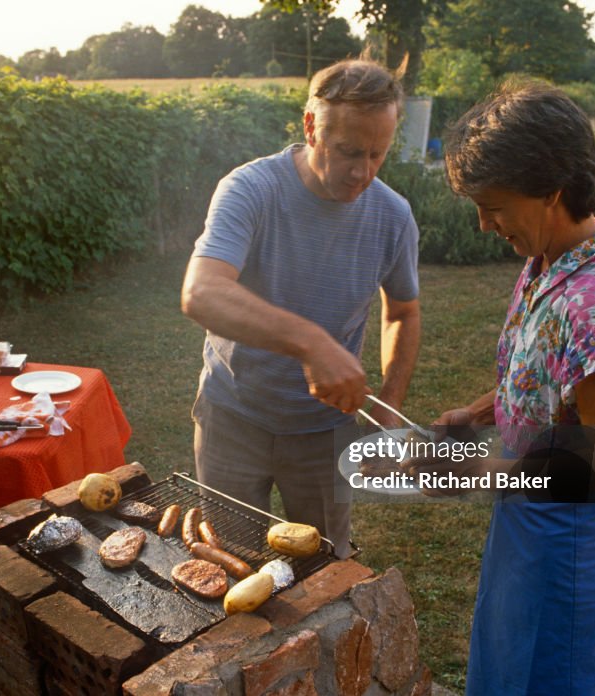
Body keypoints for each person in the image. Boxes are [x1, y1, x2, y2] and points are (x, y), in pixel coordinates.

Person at [411, 82, 595, 694]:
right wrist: (474, 413)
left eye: (493, 206)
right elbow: (546, 379)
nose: (482, 223)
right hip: (533, 523)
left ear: (550, 192)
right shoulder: (548, 261)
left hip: (576, 542)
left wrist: (476, 475)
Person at [180, 59, 421, 558]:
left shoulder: (393, 215)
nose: (363, 172)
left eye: (379, 153)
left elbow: (402, 311)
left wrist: (391, 403)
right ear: (311, 126)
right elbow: (201, 292)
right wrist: (311, 342)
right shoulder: (251, 189)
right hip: (233, 415)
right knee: (233, 560)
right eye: (349, 151)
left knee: (327, 565)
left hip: (325, 431)